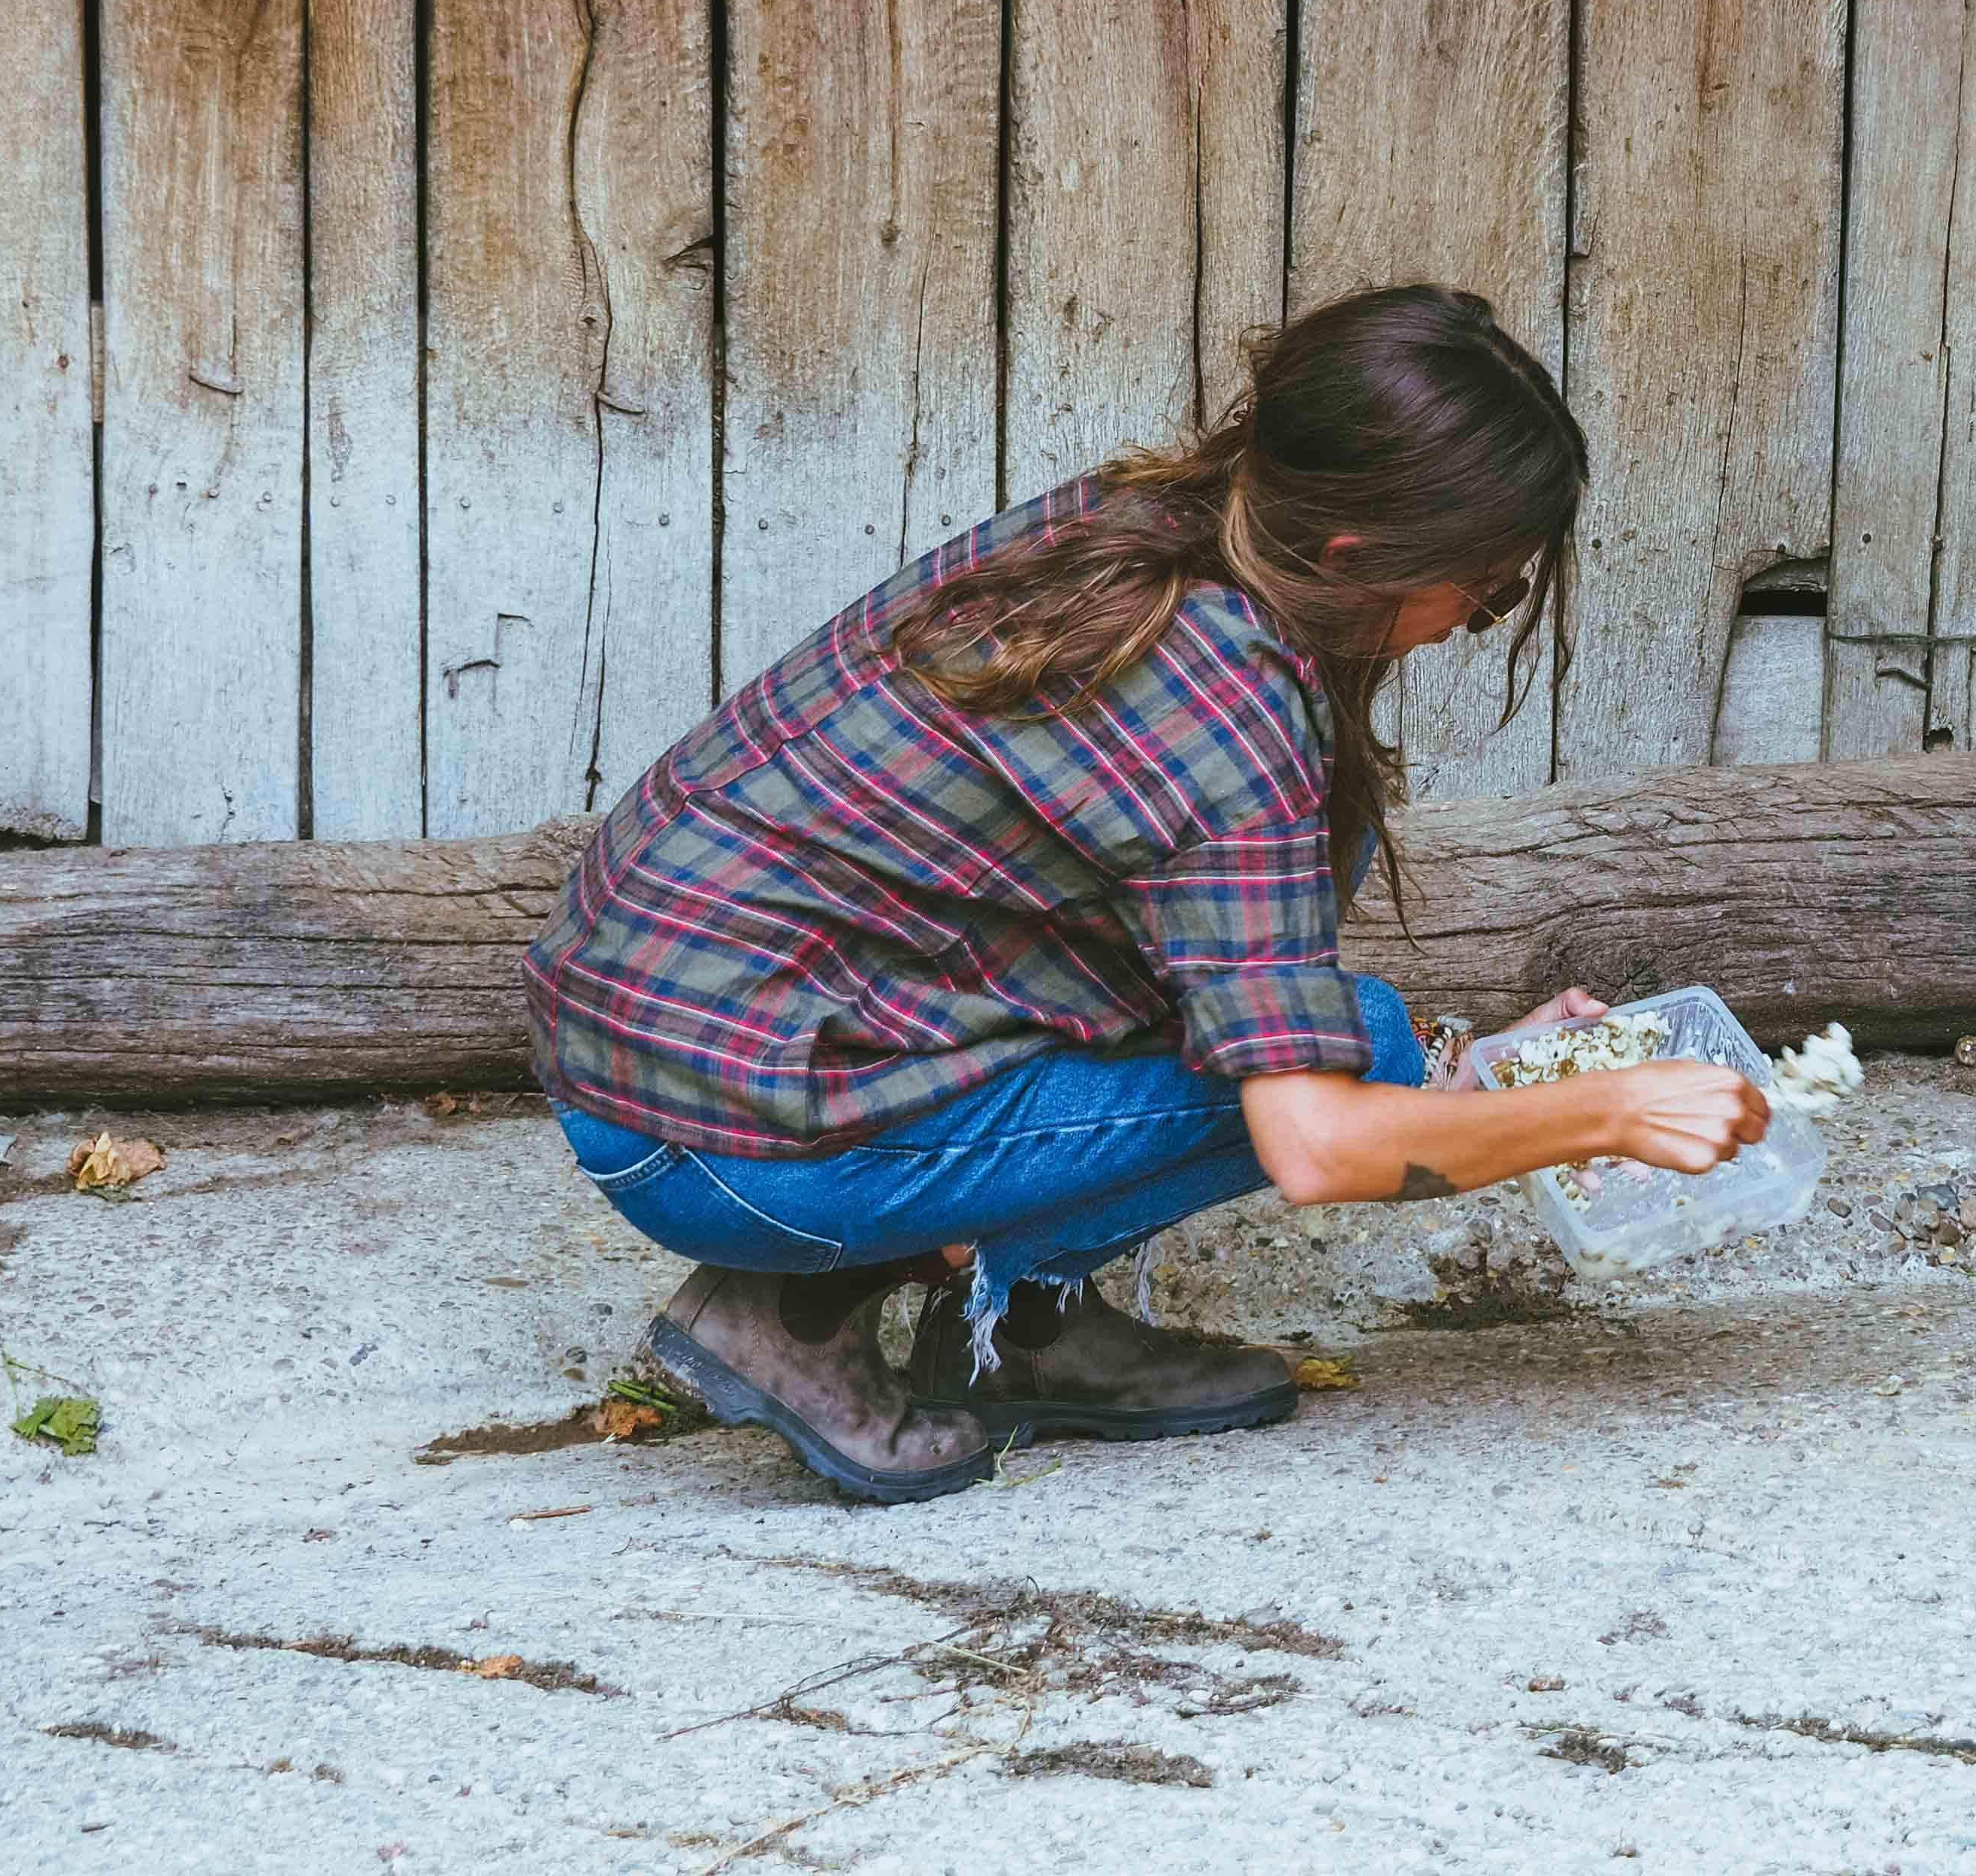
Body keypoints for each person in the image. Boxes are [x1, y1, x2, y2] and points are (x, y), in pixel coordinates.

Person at [526, 285, 1770, 1501]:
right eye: (1481, 589)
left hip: (673, 1046)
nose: (1470, 621)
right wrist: (1604, 1113)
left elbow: (1196, 963)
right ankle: (791, 1313)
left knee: (1369, 1040)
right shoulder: (1230, 710)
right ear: (1355, 553)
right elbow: (1321, 1146)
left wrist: (1480, 1072)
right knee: (1362, 1049)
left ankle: (1022, 1328)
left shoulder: (1154, 522)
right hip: (719, 1142)